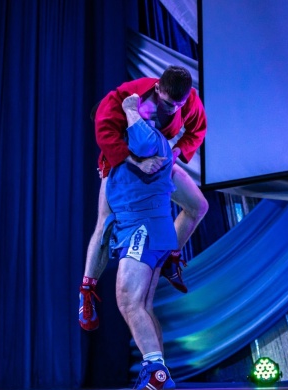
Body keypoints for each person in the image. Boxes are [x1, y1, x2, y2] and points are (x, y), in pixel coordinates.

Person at [79, 66, 208, 331]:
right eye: (169, 104)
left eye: (179, 105)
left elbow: (197, 129)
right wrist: (136, 162)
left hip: (157, 163)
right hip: (122, 164)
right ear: (158, 88)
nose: (174, 110)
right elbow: (104, 130)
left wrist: (174, 153)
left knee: (198, 206)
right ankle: (87, 292)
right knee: (105, 223)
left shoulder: (189, 99)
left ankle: (170, 257)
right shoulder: (127, 97)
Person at [109, 93, 178, 390]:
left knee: (128, 300)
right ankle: (158, 372)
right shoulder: (129, 150)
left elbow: (144, 144)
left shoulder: (144, 133)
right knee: (144, 306)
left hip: (143, 227)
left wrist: (129, 109)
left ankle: (156, 373)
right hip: (147, 228)